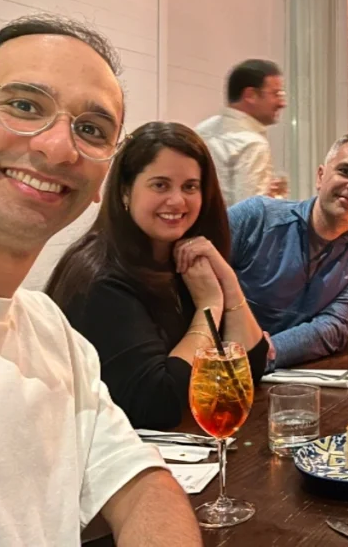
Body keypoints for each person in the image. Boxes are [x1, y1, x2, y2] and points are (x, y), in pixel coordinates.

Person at [0, 17, 200, 544]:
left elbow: (143, 484)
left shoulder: (51, 329)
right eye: (24, 105)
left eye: (91, 130)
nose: (57, 148)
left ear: (101, 183)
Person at [46, 122, 268, 430]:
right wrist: (210, 306)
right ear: (125, 191)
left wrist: (226, 281)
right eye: (160, 185)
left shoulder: (183, 262)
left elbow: (248, 370)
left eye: (190, 187)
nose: (177, 201)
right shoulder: (99, 278)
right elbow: (161, 406)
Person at [226, 132, 348, 368]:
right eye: (346, 171)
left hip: (290, 378)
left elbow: (334, 327)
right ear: (321, 176)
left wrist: (264, 354)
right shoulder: (257, 217)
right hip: (217, 371)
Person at [195, 58, 287, 205]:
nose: (282, 103)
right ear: (250, 95)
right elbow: (250, 216)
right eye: (276, 94)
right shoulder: (253, 144)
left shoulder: (200, 131)